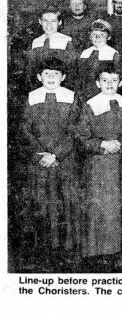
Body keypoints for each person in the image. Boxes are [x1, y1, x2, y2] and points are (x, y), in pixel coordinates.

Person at [19, 57, 79, 254]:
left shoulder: (71, 97)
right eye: (46, 74)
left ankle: (68, 247)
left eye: (55, 74)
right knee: (42, 201)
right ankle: (44, 248)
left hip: (64, 160)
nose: (51, 77)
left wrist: (56, 154)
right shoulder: (32, 97)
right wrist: (41, 155)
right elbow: (25, 129)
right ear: (38, 76)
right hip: (40, 162)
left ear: (63, 77)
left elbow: (75, 130)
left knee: (66, 203)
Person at [76, 63, 122, 258]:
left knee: (121, 204)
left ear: (121, 82)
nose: (110, 84)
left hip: (121, 162)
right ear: (97, 83)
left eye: (114, 80)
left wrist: (120, 144)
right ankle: (99, 250)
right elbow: (82, 137)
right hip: (99, 164)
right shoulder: (90, 105)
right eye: (105, 80)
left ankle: (119, 249)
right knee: (101, 206)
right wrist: (102, 145)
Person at [26, 5, 76, 90]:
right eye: (45, 20)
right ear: (40, 21)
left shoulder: (67, 41)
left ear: (59, 22)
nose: (49, 25)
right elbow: (30, 71)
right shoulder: (35, 42)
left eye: (53, 21)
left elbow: (72, 70)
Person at [77, 19, 121, 101]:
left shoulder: (113, 54)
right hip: (86, 92)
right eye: (94, 35)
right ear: (90, 37)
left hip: (104, 92)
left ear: (109, 37)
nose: (97, 38)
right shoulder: (85, 53)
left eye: (102, 34)